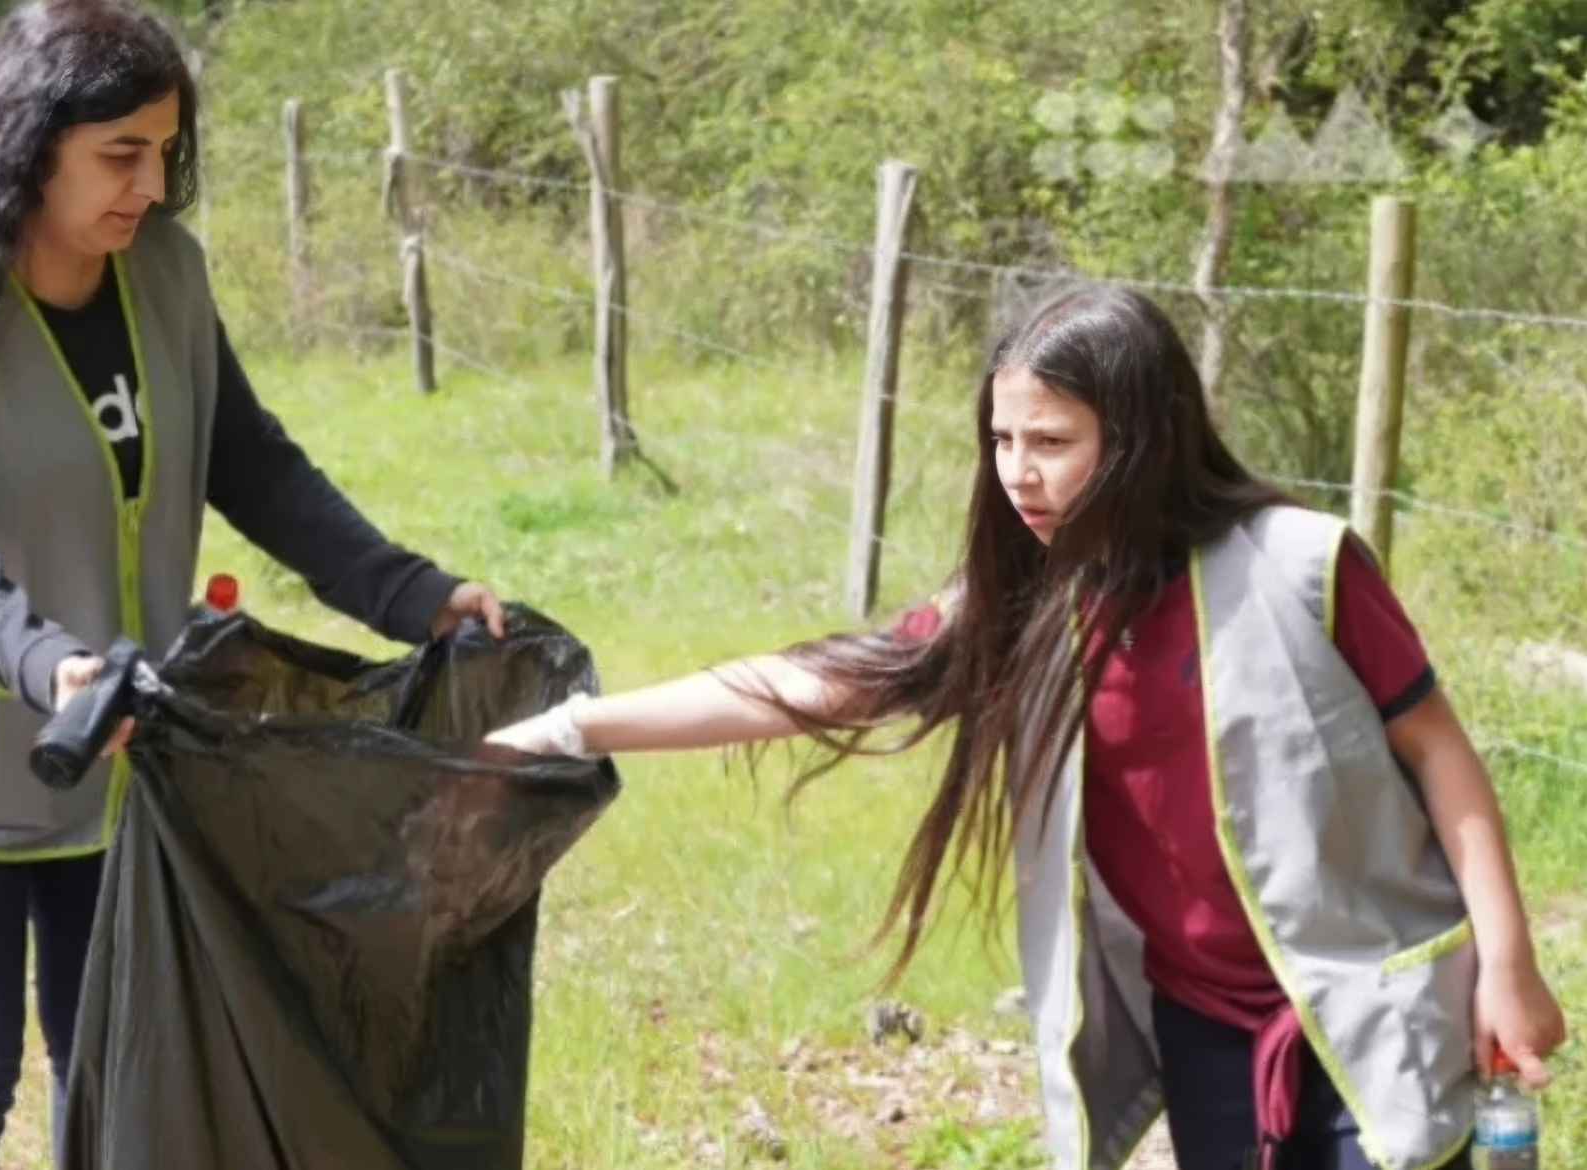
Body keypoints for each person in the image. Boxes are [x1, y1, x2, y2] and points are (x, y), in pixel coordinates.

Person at [488, 285, 1566, 1170]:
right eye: (1000, 438)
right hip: (1201, 1024)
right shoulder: (1031, 601)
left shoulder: (1301, 566)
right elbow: (816, 682)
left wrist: (1506, 965)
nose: (1016, 471)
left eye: (1049, 439)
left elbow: (1438, 752)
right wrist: (572, 729)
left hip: (1367, 1008)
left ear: (1141, 437)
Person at [0, 3, 504, 1167]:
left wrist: (413, 591)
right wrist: (49, 664)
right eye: (119, 154)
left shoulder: (164, 274)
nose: (150, 183)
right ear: (27, 146)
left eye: (165, 151)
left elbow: (253, 465)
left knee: (119, 1060)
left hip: (125, 742)